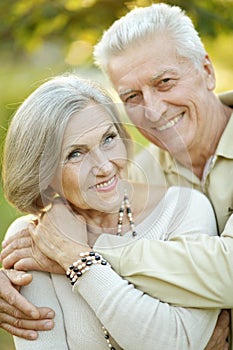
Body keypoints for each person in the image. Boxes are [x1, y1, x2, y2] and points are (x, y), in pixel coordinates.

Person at [0, 2, 232, 348]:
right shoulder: (143, 173)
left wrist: (79, 251)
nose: (153, 110)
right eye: (132, 96)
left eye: (165, 82)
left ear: (208, 71)